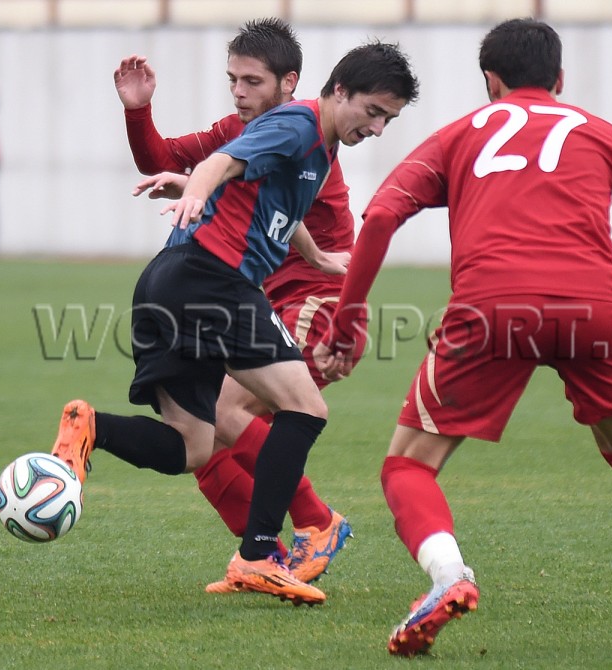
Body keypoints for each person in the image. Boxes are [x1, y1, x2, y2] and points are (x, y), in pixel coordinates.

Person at [315, 18, 612, 655]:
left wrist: (347, 322)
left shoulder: (458, 135)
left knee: (407, 466)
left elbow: (379, 218)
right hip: (592, 309)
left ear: (491, 81)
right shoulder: (596, 132)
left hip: (492, 309)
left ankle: (449, 577)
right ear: (560, 79)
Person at [51, 40, 419, 606]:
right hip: (213, 281)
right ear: (339, 91)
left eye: (387, 119)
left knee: (194, 447)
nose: (376, 128)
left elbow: (278, 204)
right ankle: (263, 553)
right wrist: (196, 193)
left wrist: (318, 258)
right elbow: (217, 164)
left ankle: (89, 426)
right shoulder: (297, 125)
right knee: (304, 408)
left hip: (167, 283)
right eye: (373, 112)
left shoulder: (314, 143)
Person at [110, 19, 362, 592]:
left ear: (288, 83)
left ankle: (317, 524)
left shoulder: (299, 134)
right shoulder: (242, 128)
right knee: (199, 441)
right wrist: (138, 111)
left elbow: (261, 194)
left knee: (225, 415)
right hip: (243, 297)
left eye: (252, 81)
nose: (238, 92)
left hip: (312, 303)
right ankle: (260, 559)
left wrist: (198, 188)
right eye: (233, 80)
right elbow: (162, 158)